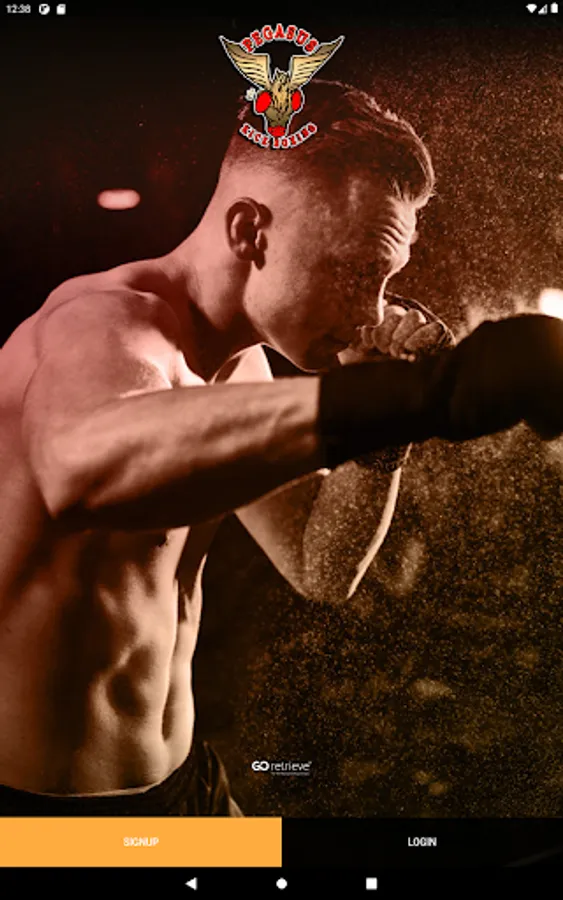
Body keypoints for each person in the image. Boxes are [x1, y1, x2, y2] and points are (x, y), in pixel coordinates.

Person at [0, 80, 561, 816]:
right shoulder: (101, 327)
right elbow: (78, 466)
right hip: (55, 819)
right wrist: (422, 396)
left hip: (189, 785)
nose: (370, 310)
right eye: (353, 270)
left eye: (383, 279)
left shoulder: (237, 364)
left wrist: (386, 430)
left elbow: (319, 565)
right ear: (249, 231)